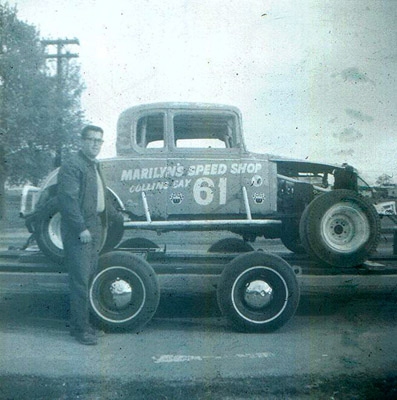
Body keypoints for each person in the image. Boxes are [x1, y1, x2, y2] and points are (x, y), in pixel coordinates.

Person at [58, 125, 106, 345]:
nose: (95, 144)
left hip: (94, 227)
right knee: (80, 281)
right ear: (81, 141)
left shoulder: (93, 166)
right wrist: (81, 229)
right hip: (80, 230)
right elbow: (68, 201)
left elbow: (100, 198)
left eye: (99, 140)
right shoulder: (72, 165)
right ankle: (81, 330)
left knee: (87, 278)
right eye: (91, 139)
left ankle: (81, 324)